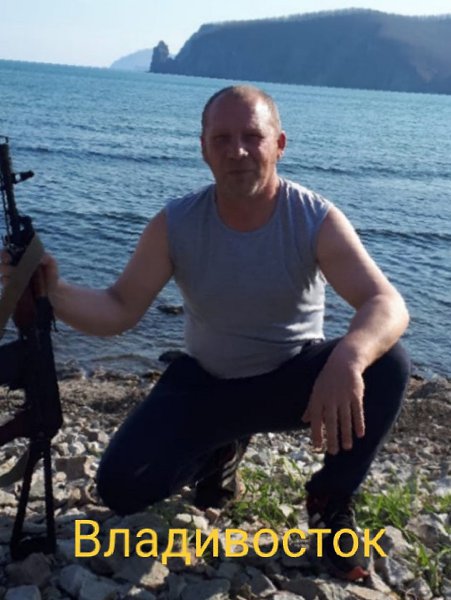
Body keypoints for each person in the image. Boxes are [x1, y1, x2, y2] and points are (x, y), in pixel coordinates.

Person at [1, 85, 410, 581]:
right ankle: (219, 452)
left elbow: (386, 303)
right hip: (206, 384)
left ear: (279, 144)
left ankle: (331, 498)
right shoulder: (176, 223)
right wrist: (55, 289)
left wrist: (348, 358)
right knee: (121, 489)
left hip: (292, 384)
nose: (237, 150)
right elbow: (119, 308)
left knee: (388, 363)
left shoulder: (314, 218)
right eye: (222, 138)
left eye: (252, 137)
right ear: (203, 149)